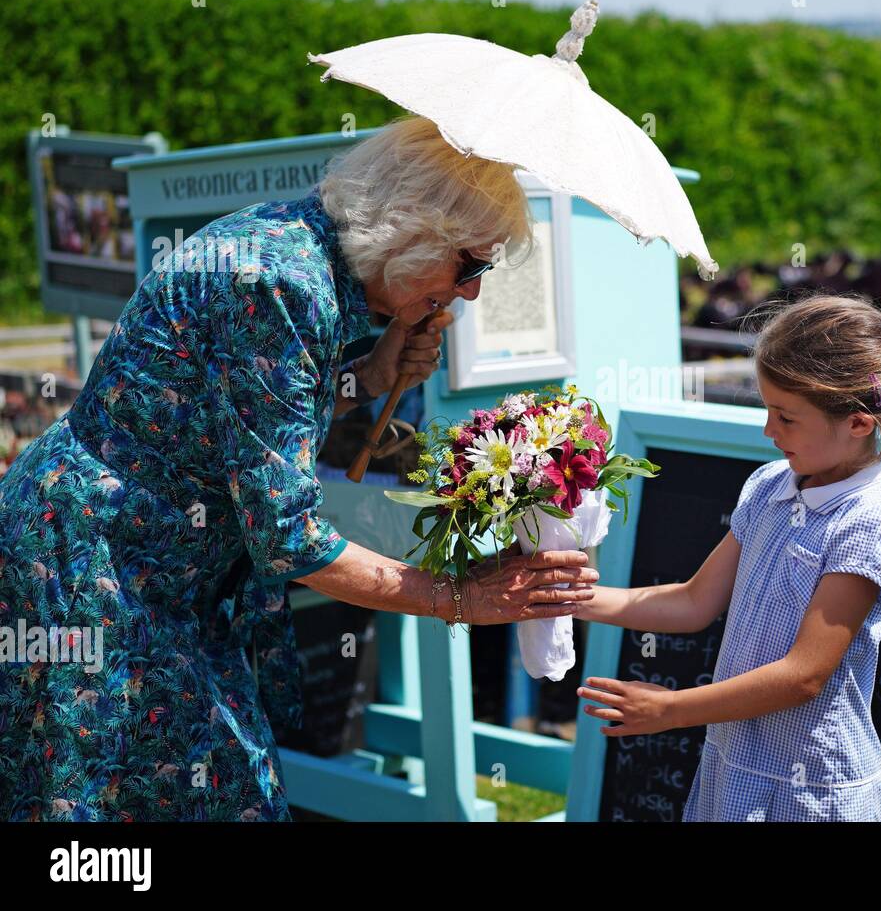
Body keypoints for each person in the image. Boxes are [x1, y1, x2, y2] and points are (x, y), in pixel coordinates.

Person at [0, 116, 597, 821]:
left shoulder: (300, 247)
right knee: (129, 802)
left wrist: (369, 376)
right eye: (470, 265)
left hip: (154, 566)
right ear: (412, 232)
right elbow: (287, 537)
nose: (469, 292)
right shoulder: (282, 283)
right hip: (95, 560)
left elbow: (245, 406)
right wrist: (457, 598)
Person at [574, 294, 881, 820]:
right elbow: (693, 601)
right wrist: (567, 599)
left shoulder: (870, 520)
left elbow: (805, 674)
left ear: (858, 423)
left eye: (785, 417)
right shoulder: (768, 487)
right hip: (735, 766)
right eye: (768, 410)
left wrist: (670, 708)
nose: (768, 431)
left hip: (812, 789)